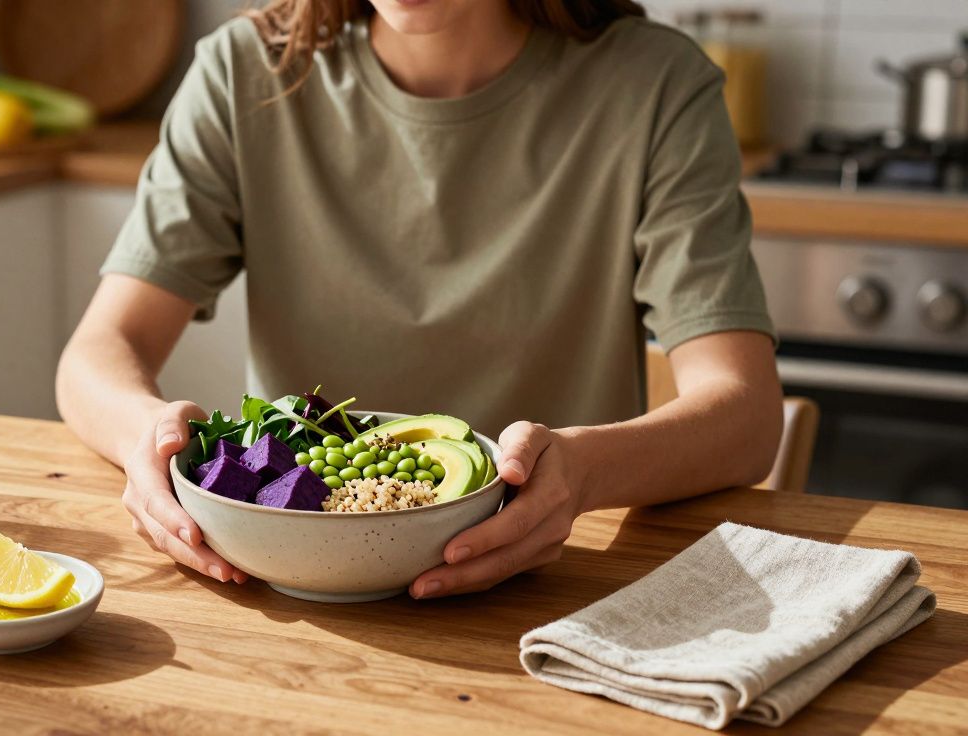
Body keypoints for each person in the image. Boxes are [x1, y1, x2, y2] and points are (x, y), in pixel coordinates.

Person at [56, 0, 783, 599]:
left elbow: (745, 415)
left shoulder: (655, 85)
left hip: (552, 590)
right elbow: (98, 354)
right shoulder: (241, 74)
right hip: (288, 595)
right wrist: (143, 436)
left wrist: (584, 471)